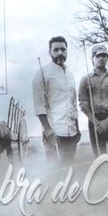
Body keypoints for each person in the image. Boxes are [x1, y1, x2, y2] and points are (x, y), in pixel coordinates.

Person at [33, 36, 81, 164]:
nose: (60, 53)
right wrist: (48, 130)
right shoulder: (42, 74)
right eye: (56, 50)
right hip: (54, 133)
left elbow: (73, 104)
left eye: (63, 49)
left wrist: (78, 129)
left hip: (71, 132)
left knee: (70, 168)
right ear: (50, 52)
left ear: (66, 51)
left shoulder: (70, 75)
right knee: (56, 172)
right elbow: (39, 105)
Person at [79, 44, 108, 157]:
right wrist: (96, 123)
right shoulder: (85, 80)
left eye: (104, 56)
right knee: (100, 159)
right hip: (95, 121)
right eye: (98, 56)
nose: (101, 58)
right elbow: (83, 105)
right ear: (92, 58)